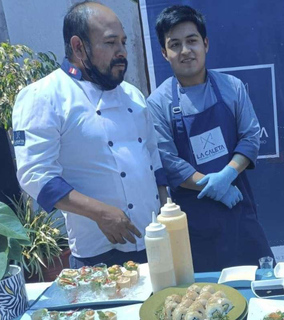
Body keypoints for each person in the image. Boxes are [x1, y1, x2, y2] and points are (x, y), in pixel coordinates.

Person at [12, 1, 168, 268]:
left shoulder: (132, 94)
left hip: (153, 241)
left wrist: (167, 213)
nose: (121, 52)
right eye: (110, 43)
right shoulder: (44, 96)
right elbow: (36, 175)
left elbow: (153, 159)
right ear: (78, 47)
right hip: (99, 254)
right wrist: (100, 213)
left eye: (123, 42)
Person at [147, 5, 273, 272]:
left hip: (238, 205)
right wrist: (212, 187)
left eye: (192, 41)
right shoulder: (157, 103)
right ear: (164, 53)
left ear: (205, 43)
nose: (185, 51)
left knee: (255, 282)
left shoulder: (232, 87)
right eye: (175, 44)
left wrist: (226, 176)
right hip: (192, 219)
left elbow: (250, 137)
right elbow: (168, 162)